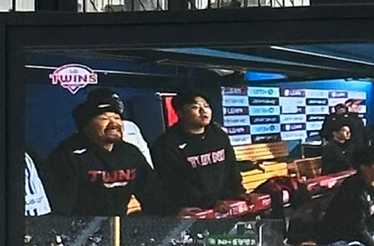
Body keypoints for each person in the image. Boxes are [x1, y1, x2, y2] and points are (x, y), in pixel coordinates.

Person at [40, 88, 163, 216]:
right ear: (86, 125)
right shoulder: (68, 155)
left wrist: (175, 213)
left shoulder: (130, 153)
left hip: (117, 228)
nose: (114, 123)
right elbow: (59, 210)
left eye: (117, 118)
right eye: (104, 118)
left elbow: (154, 196)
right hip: (79, 231)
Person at [150, 91, 245, 212]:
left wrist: (238, 192)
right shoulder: (166, 143)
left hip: (223, 203)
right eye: (195, 107)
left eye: (206, 106)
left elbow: (231, 166)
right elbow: (175, 183)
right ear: (180, 113)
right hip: (191, 208)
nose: (203, 111)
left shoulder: (218, 135)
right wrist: (209, 203)